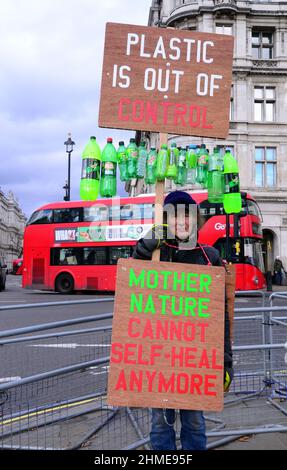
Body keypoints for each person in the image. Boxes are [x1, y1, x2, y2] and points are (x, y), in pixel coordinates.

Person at [133, 190, 233, 451]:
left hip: (196, 360)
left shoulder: (209, 256)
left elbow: (219, 316)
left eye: (187, 215)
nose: (182, 222)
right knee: (159, 423)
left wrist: (226, 362)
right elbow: (131, 292)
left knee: (195, 423)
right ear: (166, 219)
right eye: (176, 216)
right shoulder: (154, 253)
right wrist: (143, 248)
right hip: (158, 358)